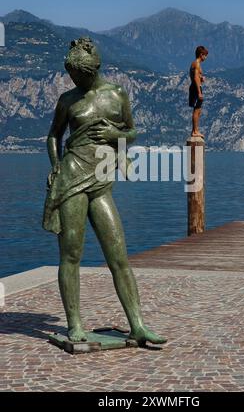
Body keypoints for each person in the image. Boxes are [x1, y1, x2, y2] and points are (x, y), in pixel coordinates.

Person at [42, 37, 167, 347]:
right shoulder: (68, 100)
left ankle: (137, 325)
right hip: (72, 179)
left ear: (93, 69)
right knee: (71, 254)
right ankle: (74, 324)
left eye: (79, 75)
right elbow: (53, 137)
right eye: (71, 75)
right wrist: (56, 166)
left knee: (118, 256)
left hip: (101, 181)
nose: (74, 80)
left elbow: (132, 132)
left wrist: (115, 133)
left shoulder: (117, 94)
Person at [189, 45, 209, 137]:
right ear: (201, 55)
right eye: (205, 55)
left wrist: (201, 78)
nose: (206, 57)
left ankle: (195, 130)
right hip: (196, 88)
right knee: (197, 110)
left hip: (194, 87)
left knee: (198, 110)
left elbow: (195, 76)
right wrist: (199, 92)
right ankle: (195, 131)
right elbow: (196, 78)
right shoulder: (197, 64)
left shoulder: (194, 64)